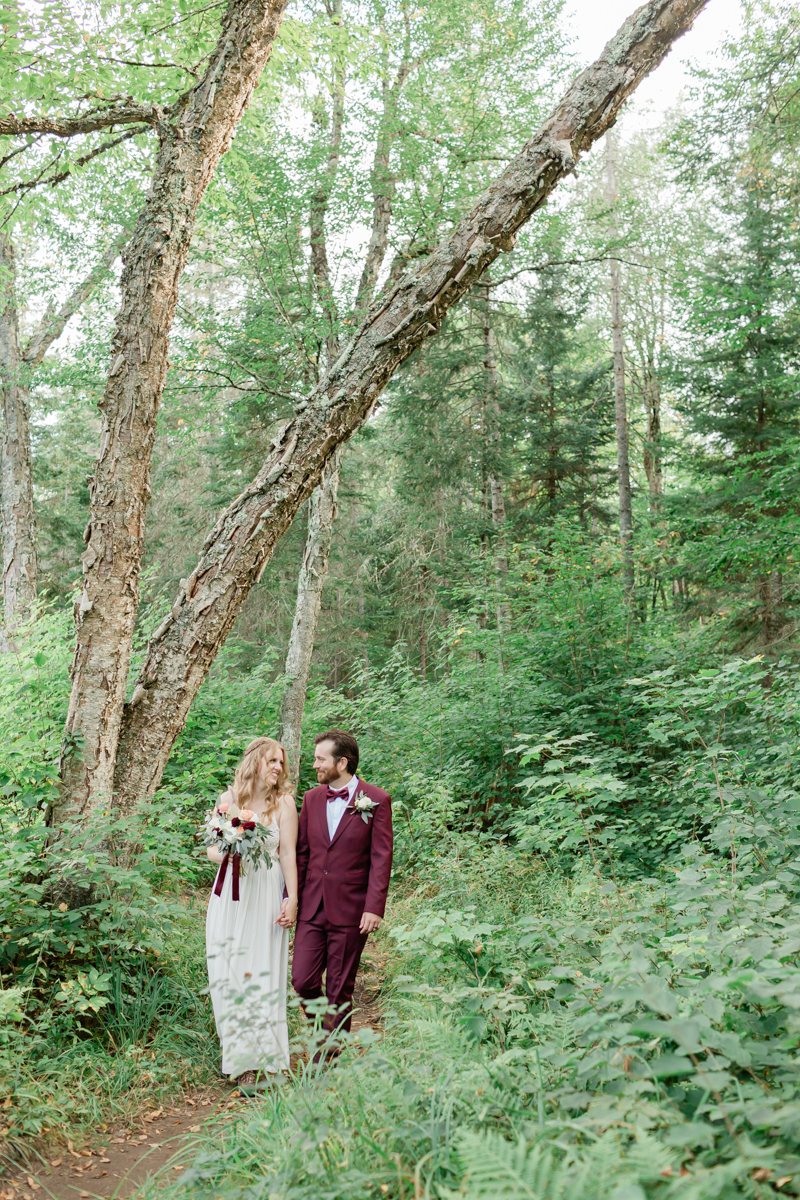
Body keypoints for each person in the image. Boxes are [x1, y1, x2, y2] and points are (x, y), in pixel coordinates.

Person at [205, 737, 298, 1091]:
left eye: (281, 763)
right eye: (272, 761)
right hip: (231, 891)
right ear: (255, 761)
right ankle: (241, 1062)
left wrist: (292, 898)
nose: (277, 767)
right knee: (229, 971)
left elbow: (288, 853)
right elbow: (212, 850)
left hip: (267, 892)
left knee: (263, 970)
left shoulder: (285, 804)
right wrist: (231, 849)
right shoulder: (229, 801)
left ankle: (270, 1059)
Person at [291, 729, 392, 1051]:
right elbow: (303, 853)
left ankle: (330, 1053)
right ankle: (325, 1034)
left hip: (351, 907)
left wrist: (374, 906)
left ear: (342, 762)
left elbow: (381, 857)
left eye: (321, 759)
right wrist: (291, 898)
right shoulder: (311, 798)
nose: (315, 765)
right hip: (311, 906)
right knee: (302, 980)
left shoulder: (376, 800)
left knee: (339, 986)